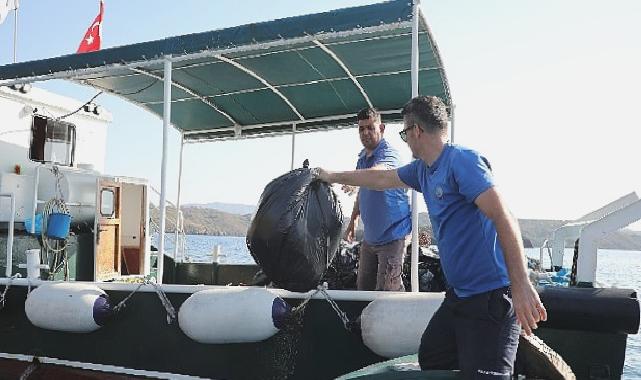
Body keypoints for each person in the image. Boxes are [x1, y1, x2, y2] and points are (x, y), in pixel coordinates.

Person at [316, 96, 546, 379]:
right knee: (433, 356)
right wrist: (329, 175)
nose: (406, 141)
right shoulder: (422, 171)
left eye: (404, 133)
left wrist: (521, 284)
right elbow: (381, 179)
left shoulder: (463, 162)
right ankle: (501, 354)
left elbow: (503, 216)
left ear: (416, 131)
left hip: (491, 296)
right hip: (459, 297)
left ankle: (504, 354)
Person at [344, 107, 411, 291]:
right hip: (370, 240)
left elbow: (377, 175)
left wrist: (351, 178)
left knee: (387, 295)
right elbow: (363, 191)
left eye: (370, 127)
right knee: (362, 291)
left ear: (381, 128)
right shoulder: (362, 159)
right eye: (361, 128)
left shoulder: (390, 154)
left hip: (393, 238)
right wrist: (353, 221)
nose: (365, 132)